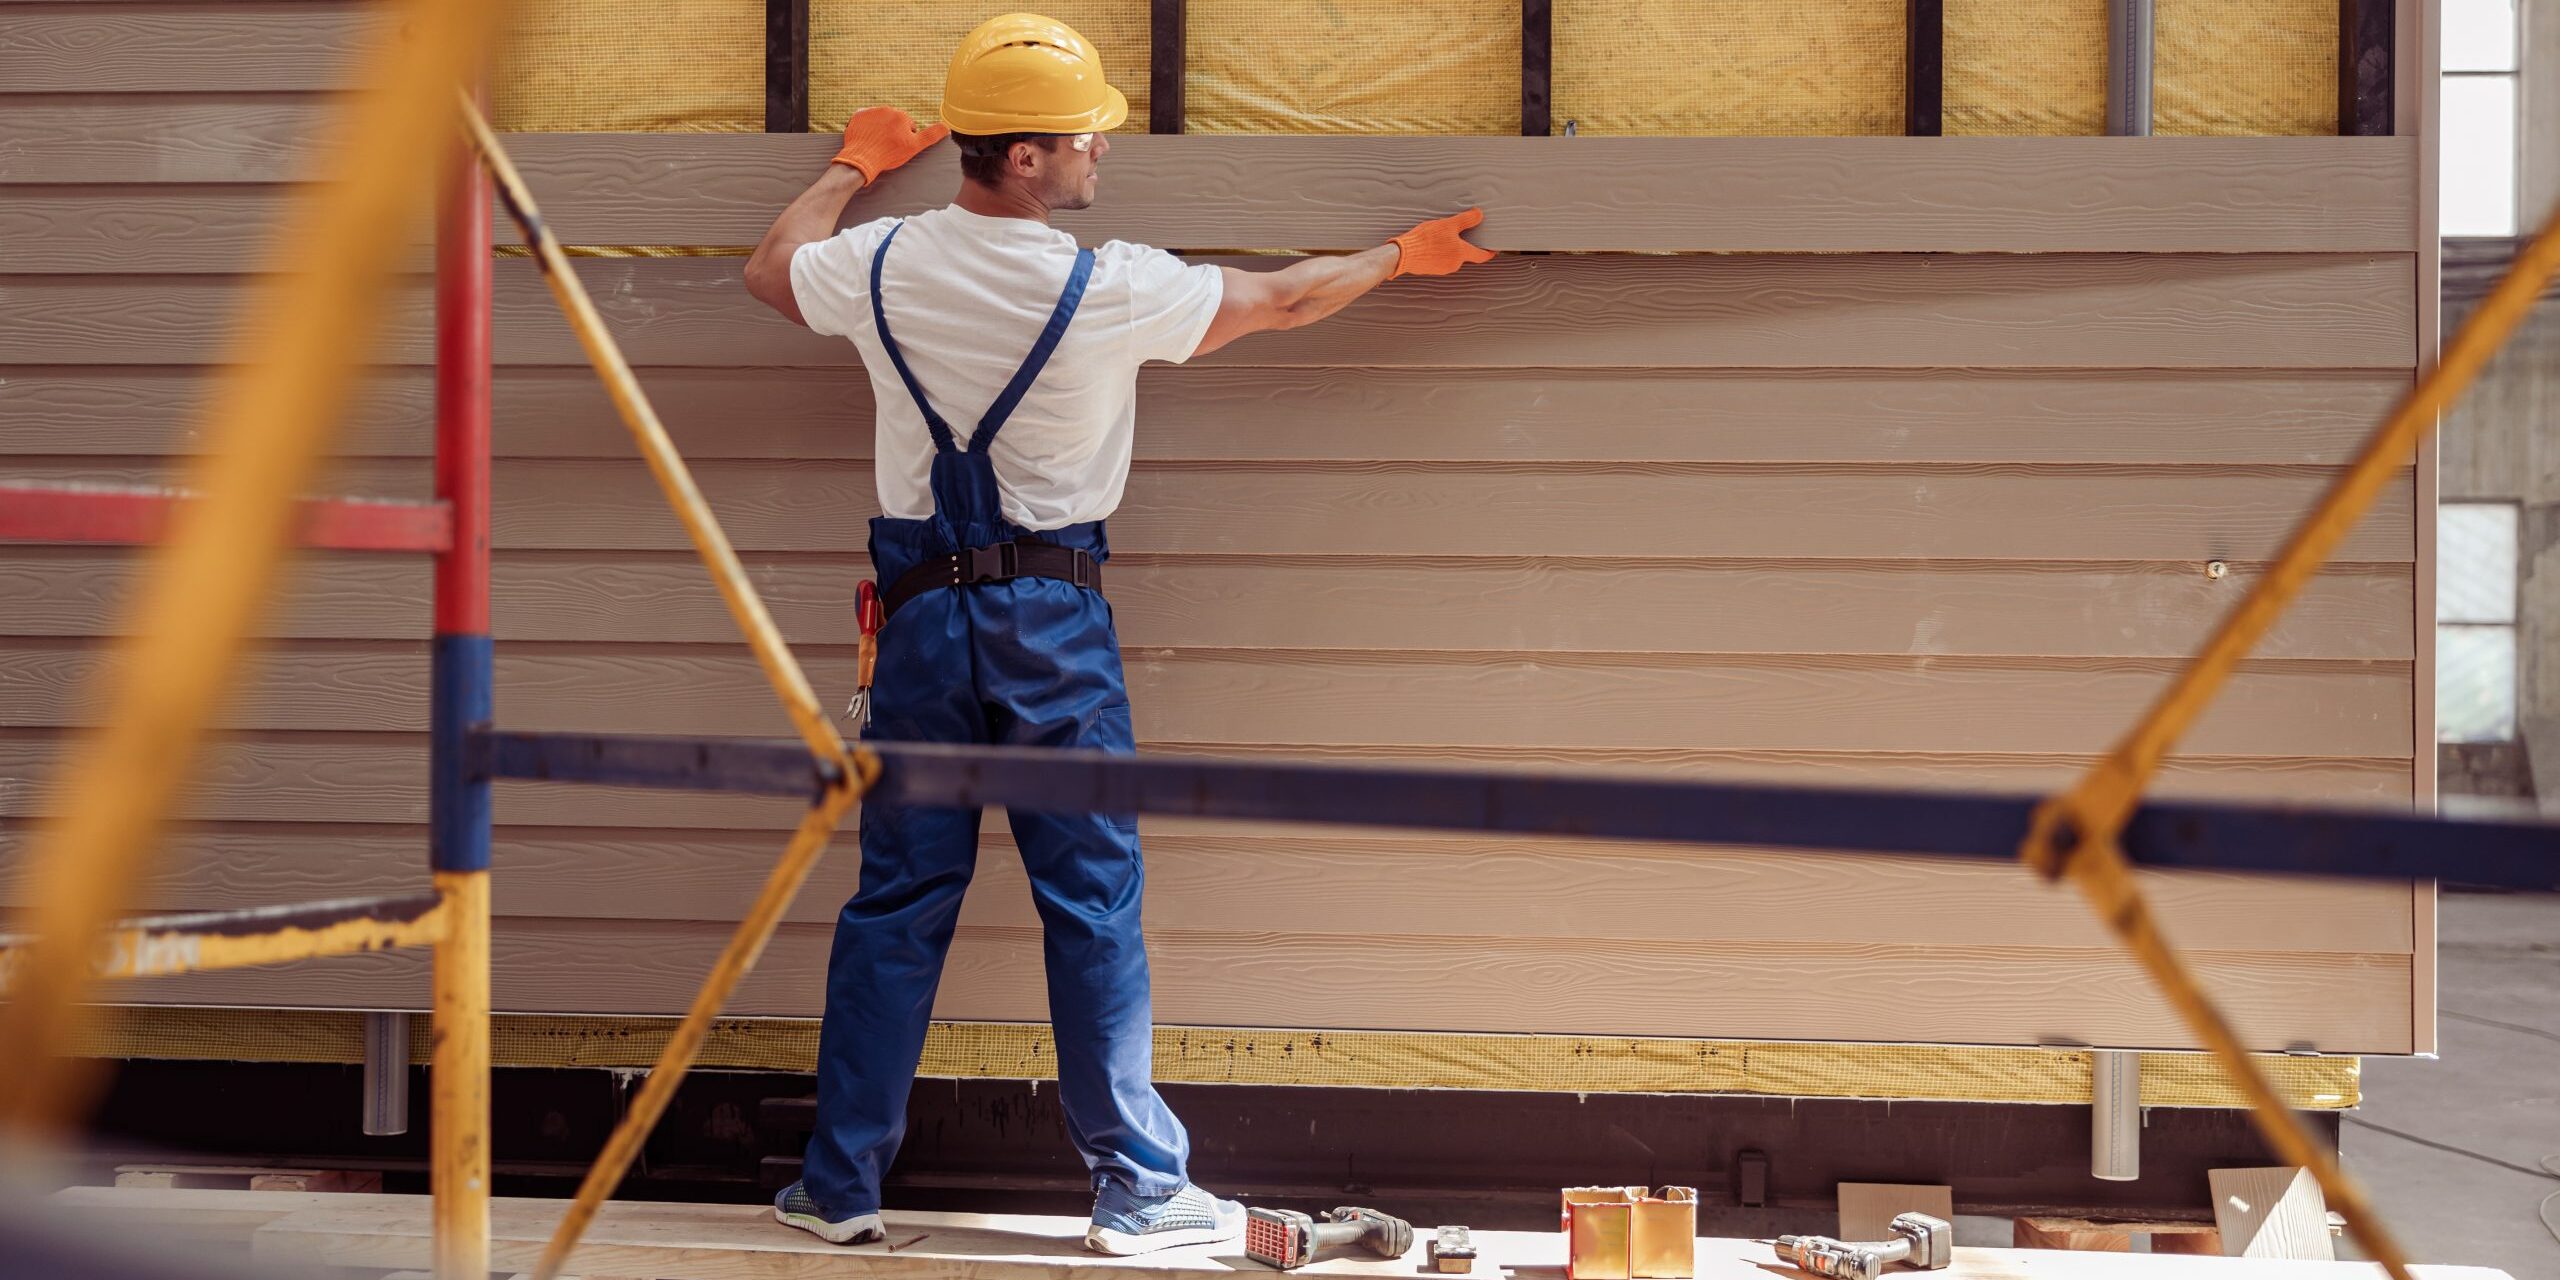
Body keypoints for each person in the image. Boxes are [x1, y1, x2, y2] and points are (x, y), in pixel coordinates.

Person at [741, 11, 1495, 1256]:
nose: (1106, 152)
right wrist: (1397, 256)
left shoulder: (875, 264)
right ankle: (1138, 1189)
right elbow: (1286, 300)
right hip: (1051, 625)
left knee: (898, 900)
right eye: (1088, 134)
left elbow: (773, 271)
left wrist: (851, 166)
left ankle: (838, 1185)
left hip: (920, 619)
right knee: (1089, 900)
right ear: (1024, 157)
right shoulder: (1111, 285)